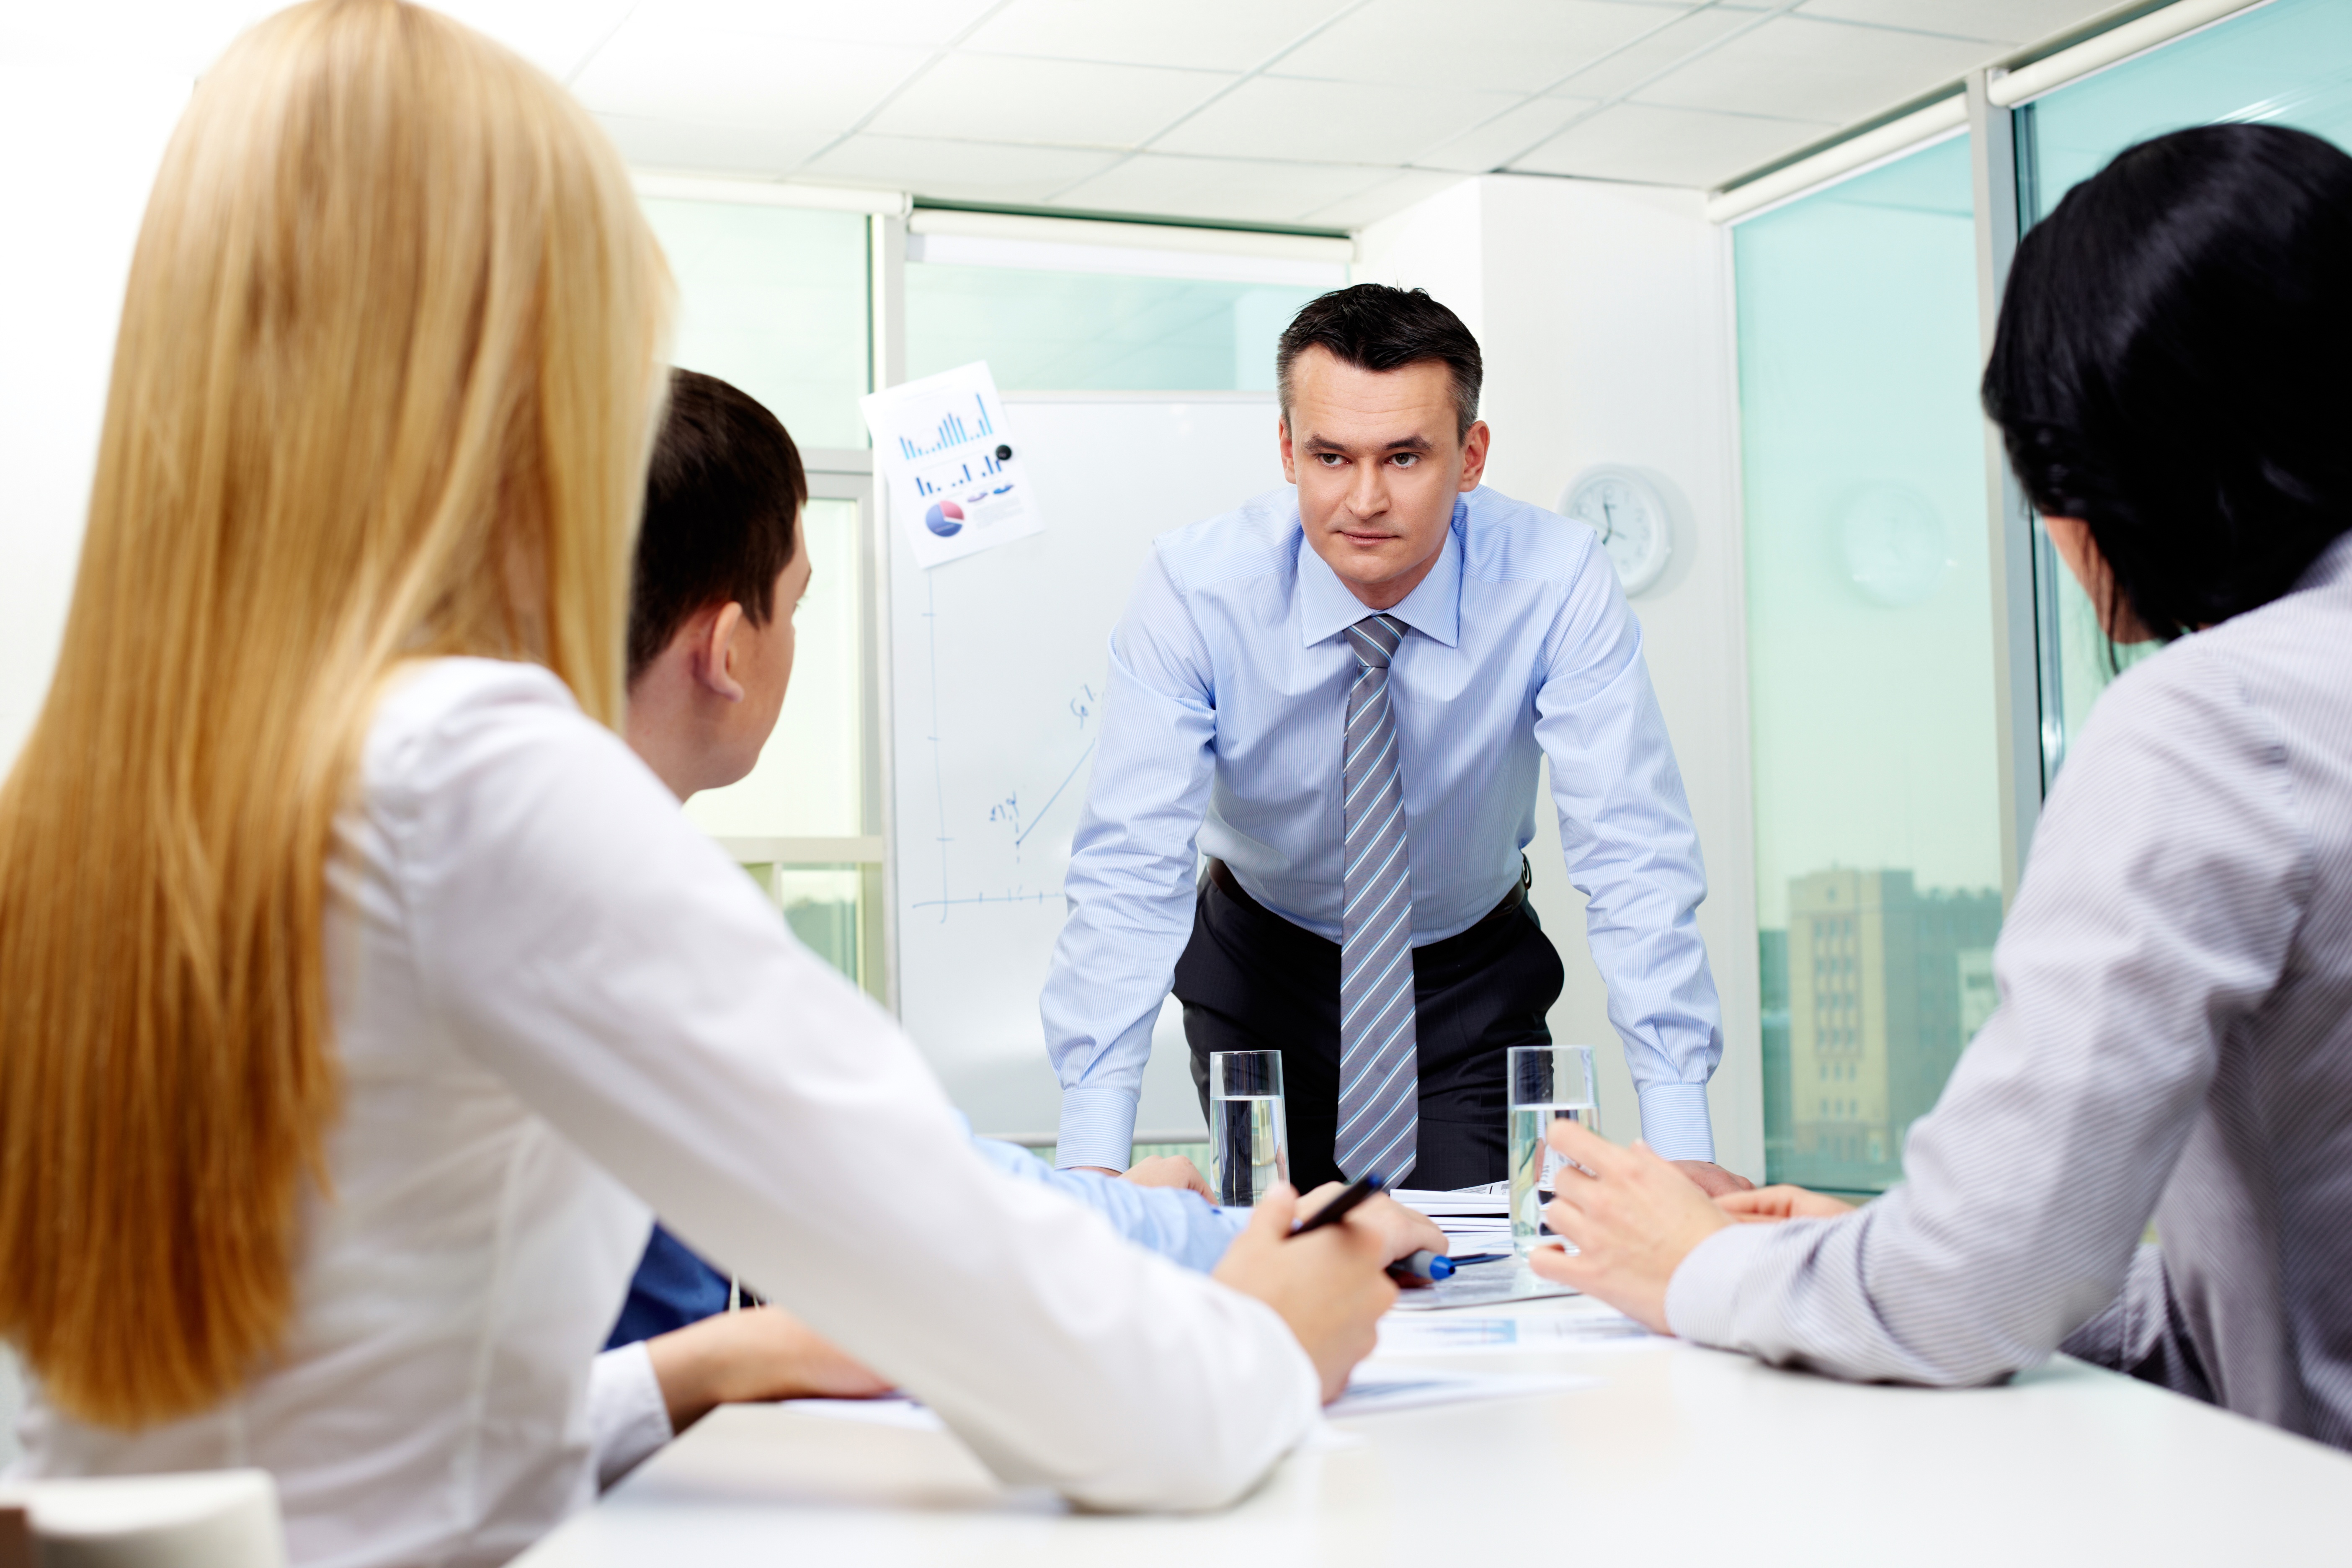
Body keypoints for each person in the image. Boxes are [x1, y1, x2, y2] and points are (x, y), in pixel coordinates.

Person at [0, 6, 1399, 1563]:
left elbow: (311, 1439)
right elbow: (1117, 1403)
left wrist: (697, 1368)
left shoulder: (96, 789)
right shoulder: (471, 772)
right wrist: (1274, 1330)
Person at [1526, 122, 2352, 1454]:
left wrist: (1691, 1268)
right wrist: (1876, 1254)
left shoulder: (2215, 724)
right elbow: (2286, 1285)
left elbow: (1969, 1304)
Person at [587, 368, 1445, 1483]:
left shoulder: (525, 838)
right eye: (797, 604)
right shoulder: (615, 900)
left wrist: (1092, 1208)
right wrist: (1289, 1246)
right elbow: (917, 1196)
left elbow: (897, 1175)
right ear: (728, 649)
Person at [1043, 283, 1749, 1197]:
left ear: (1471, 455)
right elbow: (1130, 870)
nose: (1365, 499)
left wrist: (1681, 1135)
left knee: (1484, 1257)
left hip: (1467, 973)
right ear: (1289, 451)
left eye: (1406, 457)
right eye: (1332, 456)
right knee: (1283, 1256)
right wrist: (1089, 1164)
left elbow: (1632, 852)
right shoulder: (1195, 590)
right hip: (1260, 962)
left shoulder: (1558, 579)